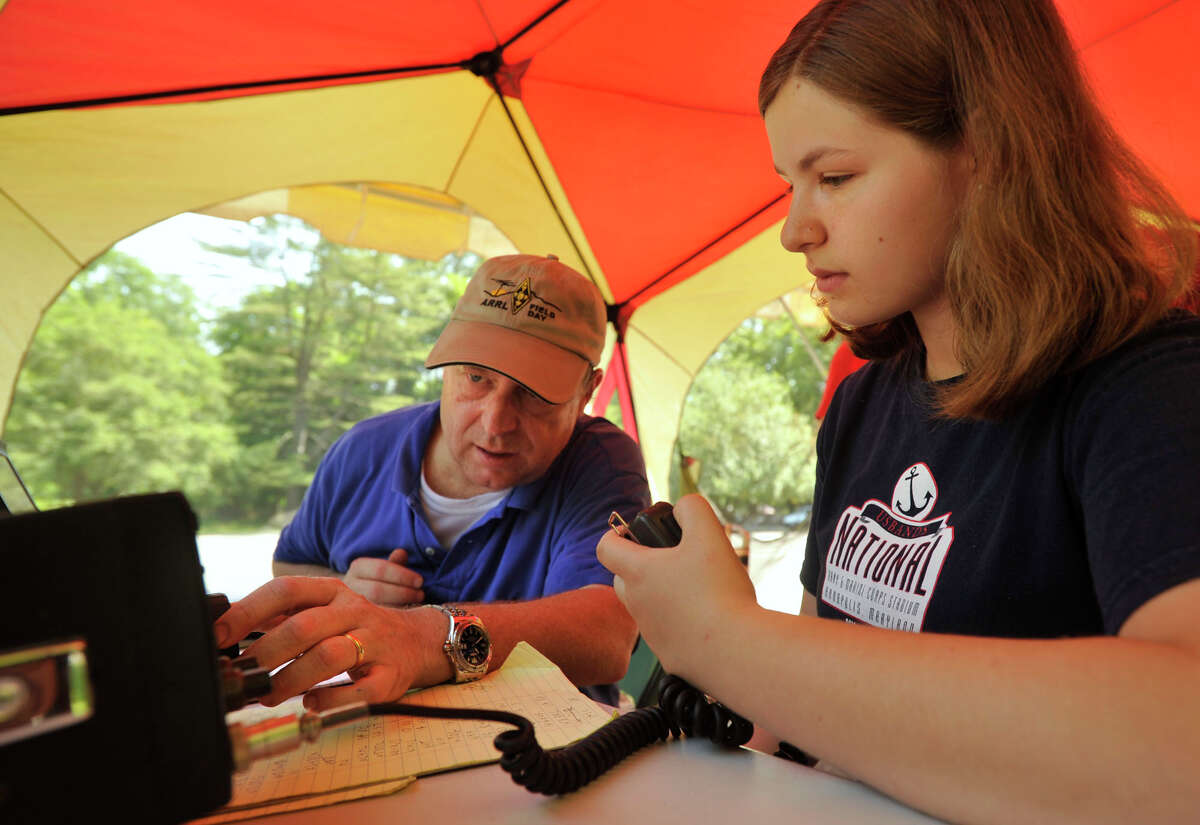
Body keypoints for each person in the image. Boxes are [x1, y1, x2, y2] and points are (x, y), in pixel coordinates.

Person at [597, 2, 1200, 823]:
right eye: (790, 185)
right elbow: (812, 690)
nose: (793, 229)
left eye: (835, 177)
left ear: (989, 154)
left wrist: (730, 641)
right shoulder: (864, 401)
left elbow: (1181, 743)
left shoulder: (1148, 386)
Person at [215, 253, 650, 709]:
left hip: (543, 756)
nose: (496, 422)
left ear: (587, 391)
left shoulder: (600, 461)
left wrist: (424, 636)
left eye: (534, 393)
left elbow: (607, 636)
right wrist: (342, 591)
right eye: (476, 377)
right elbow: (290, 565)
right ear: (447, 367)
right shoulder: (362, 450)